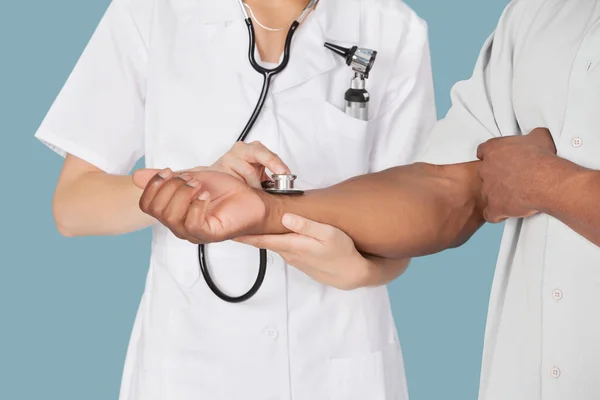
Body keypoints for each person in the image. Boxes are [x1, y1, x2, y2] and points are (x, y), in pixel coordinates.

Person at [134, 0, 600, 399]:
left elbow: (514, 180)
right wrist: (272, 209)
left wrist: (549, 185)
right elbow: (450, 188)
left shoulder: (391, 25)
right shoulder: (542, 14)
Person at [35, 0, 437, 398]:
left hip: (337, 355)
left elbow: (408, 219)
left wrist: (362, 273)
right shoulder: (150, 12)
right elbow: (73, 206)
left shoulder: (392, 27)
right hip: (189, 365)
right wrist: (188, 188)